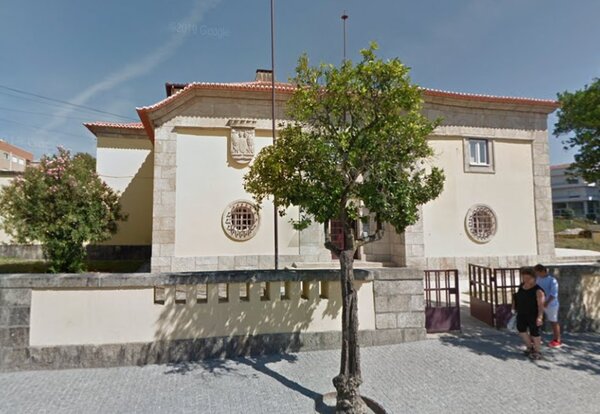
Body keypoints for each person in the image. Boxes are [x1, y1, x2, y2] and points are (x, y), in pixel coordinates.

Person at [513, 267, 545, 360]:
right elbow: (517, 297)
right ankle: (530, 347)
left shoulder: (538, 290)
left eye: (528, 278)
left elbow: (541, 305)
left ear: (534, 278)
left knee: (534, 332)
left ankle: (537, 351)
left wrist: (540, 317)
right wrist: (513, 307)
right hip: (521, 312)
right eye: (524, 278)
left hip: (533, 314)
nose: (525, 280)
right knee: (521, 329)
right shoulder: (521, 286)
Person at [534, 264, 562, 347]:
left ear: (543, 271)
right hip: (539, 303)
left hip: (551, 305)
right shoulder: (537, 279)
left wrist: (547, 302)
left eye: (537, 272)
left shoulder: (552, 280)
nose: (536, 274)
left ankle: (557, 340)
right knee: (536, 320)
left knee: (553, 321)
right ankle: (536, 338)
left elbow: (554, 294)